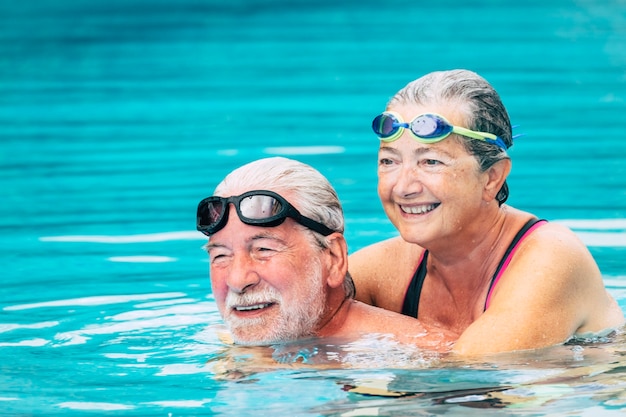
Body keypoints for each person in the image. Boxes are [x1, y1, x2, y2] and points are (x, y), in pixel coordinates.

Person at [349, 69, 624, 356]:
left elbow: (468, 373)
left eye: (431, 162)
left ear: (492, 177)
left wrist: (347, 321)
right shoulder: (391, 268)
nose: (403, 187)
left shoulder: (552, 258)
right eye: (389, 161)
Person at [196, 156, 456, 351]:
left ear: (333, 258)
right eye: (221, 256)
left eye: (264, 249)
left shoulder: (421, 353)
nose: (237, 280)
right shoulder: (218, 342)